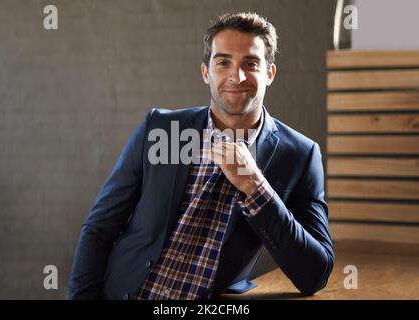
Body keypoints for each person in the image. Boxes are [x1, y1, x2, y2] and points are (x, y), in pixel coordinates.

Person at [68, 12, 334, 300]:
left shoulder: (300, 155)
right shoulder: (159, 129)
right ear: (206, 72)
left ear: (269, 73)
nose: (237, 76)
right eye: (223, 62)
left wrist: (257, 188)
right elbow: (100, 228)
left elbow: (315, 274)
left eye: (251, 63)